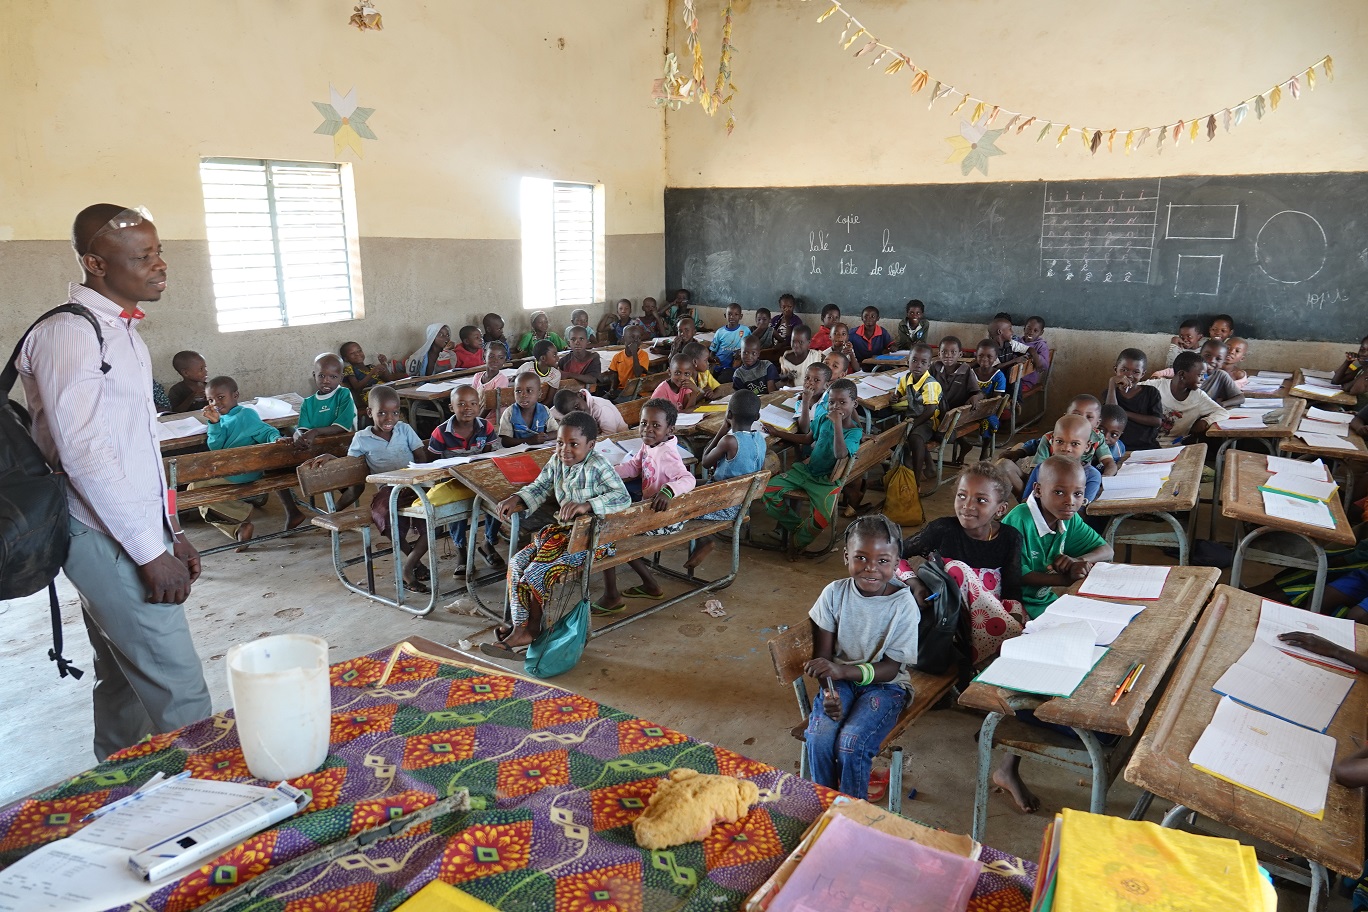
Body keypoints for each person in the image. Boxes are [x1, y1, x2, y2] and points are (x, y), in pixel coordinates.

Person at [19, 203, 210, 759]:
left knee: (124, 679)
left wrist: (170, 529)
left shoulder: (120, 330)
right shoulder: (70, 334)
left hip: (127, 526)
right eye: (143, 257)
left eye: (159, 252)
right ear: (95, 263)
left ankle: (116, 788)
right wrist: (150, 552)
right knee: (182, 690)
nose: (160, 266)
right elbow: (87, 457)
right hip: (98, 532)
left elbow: (137, 451)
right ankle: (224, 809)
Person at [997, 457, 1115, 811]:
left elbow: (1106, 549)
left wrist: (1083, 563)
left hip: (1046, 611)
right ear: (1038, 490)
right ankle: (1011, 757)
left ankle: (1054, 723)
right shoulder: (1018, 522)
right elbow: (1010, 577)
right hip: (1010, 612)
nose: (1070, 500)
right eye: (1060, 492)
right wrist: (1061, 579)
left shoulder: (1067, 519)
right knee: (1055, 674)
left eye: (1078, 493)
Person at [489, 412, 632, 650]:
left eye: (573, 444)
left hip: (595, 540)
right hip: (564, 534)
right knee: (516, 563)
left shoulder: (598, 465)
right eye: (560, 442)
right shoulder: (558, 460)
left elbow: (622, 497)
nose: (565, 449)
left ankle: (533, 629)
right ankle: (519, 626)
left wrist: (587, 505)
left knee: (535, 572)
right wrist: (516, 498)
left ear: (591, 445)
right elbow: (541, 485)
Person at [802, 514, 921, 800]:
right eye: (861, 558)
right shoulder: (834, 594)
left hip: (887, 686)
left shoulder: (904, 606)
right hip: (840, 682)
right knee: (818, 736)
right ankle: (826, 804)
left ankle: (851, 814)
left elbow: (891, 669)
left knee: (851, 743)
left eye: (883, 561)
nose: (871, 569)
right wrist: (829, 693)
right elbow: (824, 658)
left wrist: (842, 673)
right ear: (846, 557)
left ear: (896, 562)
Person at [899, 462, 1025, 666]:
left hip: (995, 620)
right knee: (955, 569)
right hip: (951, 620)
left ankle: (1002, 642)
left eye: (981, 500)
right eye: (962, 496)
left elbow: (1012, 590)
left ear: (1000, 509)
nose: (967, 505)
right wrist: (915, 584)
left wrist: (1014, 621)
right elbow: (893, 555)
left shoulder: (1011, 538)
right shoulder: (942, 530)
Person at [599, 398, 696, 610]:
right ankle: (649, 585)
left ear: (670, 429)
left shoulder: (667, 453)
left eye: (656, 425)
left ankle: (612, 596)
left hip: (666, 519)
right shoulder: (650, 444)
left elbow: (689, 479)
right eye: (644, 423)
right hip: (654, 514)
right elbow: (634, 466)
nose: (647, 429)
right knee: (613, 532)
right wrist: (607, 473)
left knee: (608, 537)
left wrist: (668, 490)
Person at [335, 386, 432, 592]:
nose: (389, 418)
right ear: (370, 413)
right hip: (388, 488)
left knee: (433, 514)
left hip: (413, 483)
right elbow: (349, 464)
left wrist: (420, 479)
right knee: (383, 515)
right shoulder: (361, 438)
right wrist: (329, 459)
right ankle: (415, 563)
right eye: (382, 413)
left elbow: (421, 456)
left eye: (395, 412)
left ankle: (408, 566)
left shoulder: (404, 429)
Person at [763, 379, 862, 558]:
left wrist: (837, 424)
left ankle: (797, 541)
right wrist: (777, 433)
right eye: (831, 402)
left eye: (842, 403)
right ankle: (798, 527)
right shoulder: (824, 419)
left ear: (854, 404)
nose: (835, 407)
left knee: (821, 519)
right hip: (806, 471)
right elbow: (809, 438)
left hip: (826, 481)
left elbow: (841, 454)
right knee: (767, 491)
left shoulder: (854, 432)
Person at [195, 375, 288, 547]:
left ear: (235, 395)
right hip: (231, 470)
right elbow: (216, 448)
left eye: (221, 397)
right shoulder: (220, 419)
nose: (216, 403)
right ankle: (239, 529)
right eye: (210, 400)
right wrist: (214, 423)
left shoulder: (246, 415)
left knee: (196, 490)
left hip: (244, 472)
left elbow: (266, 431)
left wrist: (277, 438)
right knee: (198, 493)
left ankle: (241, 516)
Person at [686, 390, 766, 570]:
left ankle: (704, 540)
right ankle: (702, 541)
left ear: (729, 414)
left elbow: (705, 461)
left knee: (680, 501)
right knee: (687, 484)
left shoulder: (729, 441)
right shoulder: (760, 439)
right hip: (743, 502)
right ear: (757, 416)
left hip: (722, 504)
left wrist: (723, 429)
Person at [428, 384, 502, 576]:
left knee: (500, 499)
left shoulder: (485, 427)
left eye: (472, 403)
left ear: (479, 406)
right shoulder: (441, 432)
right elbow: (432, 463)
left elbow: (491, 454)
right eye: (461, 404)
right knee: (458, 505)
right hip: (453, 482)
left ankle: (488, 543)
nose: (467, 408)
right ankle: (461, 548)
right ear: (451, 408)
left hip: (480, 480)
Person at [1001, 412, 1109, 502]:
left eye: (1075, 444)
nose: (1066, 448)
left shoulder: (1092, 476)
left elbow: (1082, 512)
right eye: (1059, 441)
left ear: (1087, 446)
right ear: (1052, 441)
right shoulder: (1041, 469)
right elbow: (1028, 502)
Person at [1140, 351, 1229, 446]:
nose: (1204, 379)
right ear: (1182, 375)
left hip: (1173, 447)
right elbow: (1130, 390)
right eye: (1200, 375)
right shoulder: (1155, 386)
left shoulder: (1198, 396)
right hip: (1143, 443)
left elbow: (1223, 412)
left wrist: (1205, 421)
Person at [889, 344, 942, 487]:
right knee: (891, 433)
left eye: (923, 362)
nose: (918, 365)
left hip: (929, 421)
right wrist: (896, 396)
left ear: (929, 365)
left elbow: (930, 410)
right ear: (908, 361)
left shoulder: (929, 384)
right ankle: (906, 467)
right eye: (914, 361)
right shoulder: (907, 377)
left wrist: (914, 424)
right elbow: (900, 391)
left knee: (916, 438)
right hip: (914, 419)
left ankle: (916, 480)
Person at [765, 363, 834, 455]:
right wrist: (805, 402)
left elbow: (807, 436)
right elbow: (804, 428)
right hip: (812, 449)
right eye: (807, 378)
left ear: (826, 385)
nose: (810, 382)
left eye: (816, 380)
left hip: (825, 451)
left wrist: (777, 433)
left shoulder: (829, 404)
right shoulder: (800, 402)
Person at [1105, 348, 1162, 451]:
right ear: (1115, 370)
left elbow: (1157, 421)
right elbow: (1112, 416)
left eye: (1136, 372)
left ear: (1143, 374)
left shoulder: (1151, 392)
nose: (1129, 375)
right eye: (1124, 370)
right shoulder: (1110, 393)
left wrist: (1124, 413)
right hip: (1118, 449)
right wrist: (1112, 383)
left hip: (1147, 448)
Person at [340, 341, 402, 416]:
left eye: (359, 351)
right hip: (372, 396)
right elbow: (357, 387)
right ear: (345, 359)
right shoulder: (349, 369)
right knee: (394, 404)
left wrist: (383, 364)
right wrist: (372, 373)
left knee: (403, 400)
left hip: (385, 391)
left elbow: (387, 379)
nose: (357, 354)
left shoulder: (371, 367)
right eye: (352, 353)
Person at [967, 339, 1008, 454]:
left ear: (996, 358)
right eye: (981, 355)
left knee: (988, 421)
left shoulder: (999, 376)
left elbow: (996, 400)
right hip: (970, 408)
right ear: (976, 355)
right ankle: (963, 444)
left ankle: (985, 447)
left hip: (988, 409)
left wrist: (981, 402)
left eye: (989, 356)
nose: (984, 359)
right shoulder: (971, 373)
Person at [497, 371, 558, 447]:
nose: (523, 395)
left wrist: (544, 437)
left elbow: (557, 432)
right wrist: (529, 440)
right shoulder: (510, 412)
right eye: (518, 391)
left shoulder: (544, 410)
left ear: (539, 393)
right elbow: (505, 441)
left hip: (539, 450)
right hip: (517, 453)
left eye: (529, 391)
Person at [552, 387, 628, 435]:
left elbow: (610, 435)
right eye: (573, 413)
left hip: (620, 439)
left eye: (577, 406)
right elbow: (552, 412)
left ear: (581, 395)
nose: (579, 412)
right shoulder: (570, 407)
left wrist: (591, 433)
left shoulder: (600, 407)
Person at [931, 336, 975, 412]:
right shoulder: (935, 367)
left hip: (956, 412)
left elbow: (978, 392)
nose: (948, 355)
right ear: (939, 354)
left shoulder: (966, 370)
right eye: (944, 352)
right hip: (935, 410)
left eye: (953, 352)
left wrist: (975, 397)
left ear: (960, 354)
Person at [607, 324, 651, 396]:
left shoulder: (643, 355)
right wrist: (612, 389)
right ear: (623, 339)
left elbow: (638, 374)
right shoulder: (617, 356)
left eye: (639, 338)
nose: (636, 340)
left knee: (616, 404)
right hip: (622, 389)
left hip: (637, 391)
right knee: (605, 400)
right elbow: (615, 376)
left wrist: (634, 353)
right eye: (632, 337)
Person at [709, 303, 750, 378]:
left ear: (741, 316)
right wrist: (714, 360)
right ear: (725, 315)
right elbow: (712, 352)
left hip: (735, 366)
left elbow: (750, 346)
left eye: (736, 314)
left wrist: (741, 351)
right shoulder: (719, 332)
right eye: (729, 314)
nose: (732, 317)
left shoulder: (745, 330)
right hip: (719, 365)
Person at [516, 339, 561, 405]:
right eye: (554, 355)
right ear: (543, 358)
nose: (558, 358)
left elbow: (549, 399)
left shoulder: (555, 374)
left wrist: (537, 410)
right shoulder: (526, 368)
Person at [1332, 334, 1368, 409]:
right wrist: (1348, 361)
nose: (1364, 354)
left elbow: (1352, 390)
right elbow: (1336, 381)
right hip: (1350, 410)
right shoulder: (1361, 368)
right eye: (1362, 349)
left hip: (1361, 416)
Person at [1017, 316, 1051, 393]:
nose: (1031, 332)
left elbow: (1044, 366)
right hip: (1013, 379)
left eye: (1035, 330)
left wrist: (1034, 357)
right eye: (1028, 328)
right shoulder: (1017, 342)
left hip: (1026, 383)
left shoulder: (1041, 346)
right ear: (1024, 328)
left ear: (1041, 333)